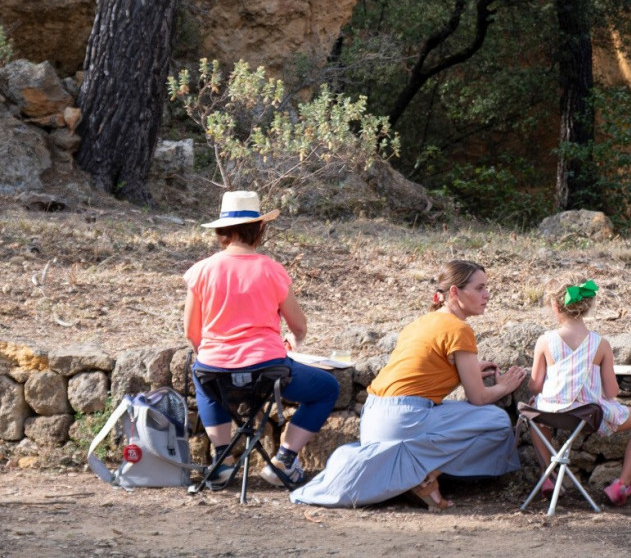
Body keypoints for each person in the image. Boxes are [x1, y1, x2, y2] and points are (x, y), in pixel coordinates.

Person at [291, 260, 527, 509]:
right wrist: (505, 386)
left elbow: (420, 369)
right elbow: (477, 398)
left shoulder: (422, 322)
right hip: (404, 418)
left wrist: (463, 371)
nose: (487, 295)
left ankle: (410, 474)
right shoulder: (459, 329)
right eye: (480, 288)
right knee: (497, 422)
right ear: (455, 292)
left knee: (450, 423)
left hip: (373, 416)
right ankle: (423, 477)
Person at [184, 190, 339, 489]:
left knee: (202, 376)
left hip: (216, 370)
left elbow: (192, 333)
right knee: (327, 389)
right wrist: (294, 341)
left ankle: (222, 459)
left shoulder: (201, 271)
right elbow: (299, 325)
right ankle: (283, 459)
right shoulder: (271, 269)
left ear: (221, 231)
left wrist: (213, 356)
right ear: (259, 228)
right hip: (269, 372)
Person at [528, 278, 631, 506]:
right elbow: (611, 392)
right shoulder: (600, 343)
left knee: (535, 410)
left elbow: (536, 385)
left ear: (556, 307)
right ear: (588, 307)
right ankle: (622, 485)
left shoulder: (545, 341)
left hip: (552, 414)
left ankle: (548, 476)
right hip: (588, 417)